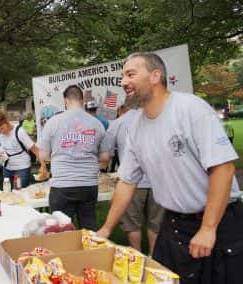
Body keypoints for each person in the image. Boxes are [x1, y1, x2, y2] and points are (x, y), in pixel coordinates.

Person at [97, 52, 242, 283]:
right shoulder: (134, 126)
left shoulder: (191, 109)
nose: (123, 82)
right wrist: (105, 229)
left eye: (130, 74)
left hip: (218, 221)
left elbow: (223, 169)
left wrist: (207, 228)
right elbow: (127, 182)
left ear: (156, 76)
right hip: (173, 223)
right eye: (122, 76)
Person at [39, 85, 110, 230]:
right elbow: (105, 157)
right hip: (88, 185)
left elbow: (44, 155)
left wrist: (62, 155)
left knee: (61, 230)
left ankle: (65, 252)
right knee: (88, 229)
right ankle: (90, 252)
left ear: (65, 101)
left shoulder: (53, 122)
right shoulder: (97, 124)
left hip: (62, 185)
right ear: (82, 100)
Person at [107, 102, 164, 255]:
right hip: (157, 180)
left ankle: (137, 257)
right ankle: (154, 257)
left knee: (132, 225)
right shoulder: (157, 117)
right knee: (155, 224)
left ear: (121, 109)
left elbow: (107, 155)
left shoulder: (118, 124)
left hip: (131, 182)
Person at [0, 108, 48, 188]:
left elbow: (36, 150)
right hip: (7, 168)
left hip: (22, 168)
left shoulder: (19, 131)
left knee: (20, 193)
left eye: (2, 128)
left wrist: (43, 165)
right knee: (8, 193)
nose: (2, 132)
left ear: (6, 121)